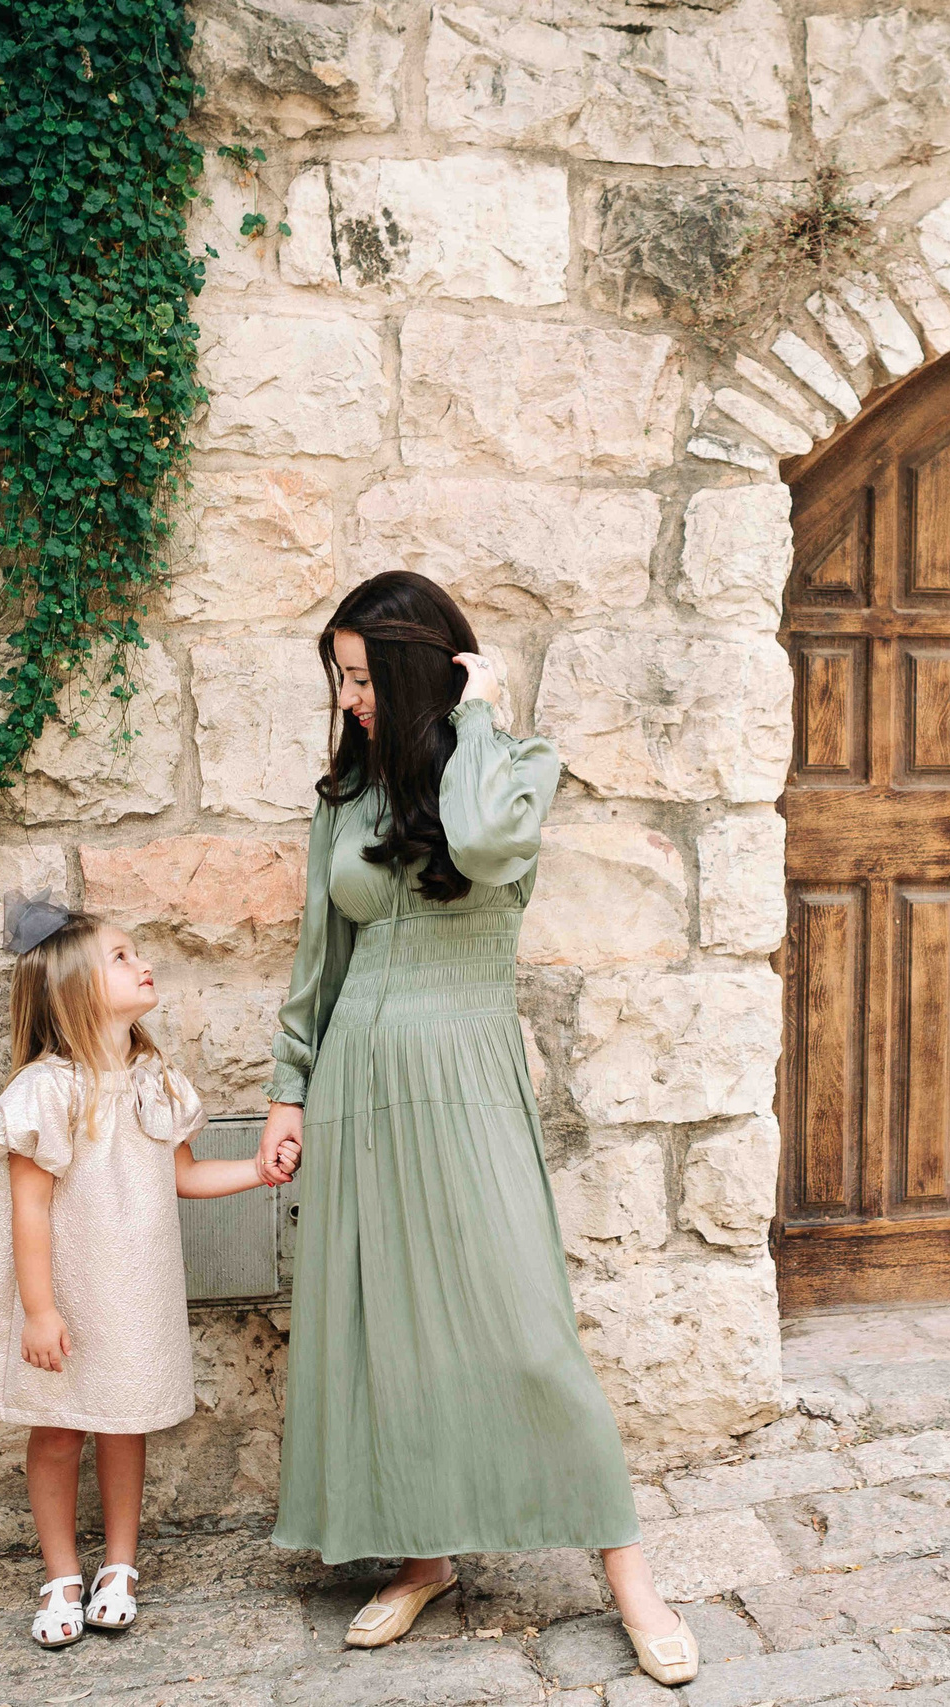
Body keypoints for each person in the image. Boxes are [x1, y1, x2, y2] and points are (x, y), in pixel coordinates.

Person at [255, 570, 697, 1685]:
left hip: (464, 1065)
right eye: (338, 678)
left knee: (524, 1322)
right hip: (360, 1071)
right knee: (385, 1327)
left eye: (362, 678)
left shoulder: (513, 768)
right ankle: (422, 1557)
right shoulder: (343, 801)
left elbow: (487, 846)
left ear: (412, 673)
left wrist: (478, 714)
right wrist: (286, 1088)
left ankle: (630, 1577)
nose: (348, 698)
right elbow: (323, 957)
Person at [0, 897, 293, 1650]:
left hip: (129, 1287)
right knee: (62, 1427)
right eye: (123, 956)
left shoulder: (152, 1078)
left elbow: (184, 1177)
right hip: (68, 1288)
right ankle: (62, 1571)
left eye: (138, 953)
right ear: (73, 989)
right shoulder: (47, 1089)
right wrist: (39, 1310)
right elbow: (29, 1212)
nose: (144, 964)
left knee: (125, 1420)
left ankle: (120, 1565)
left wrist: (258, 1170)